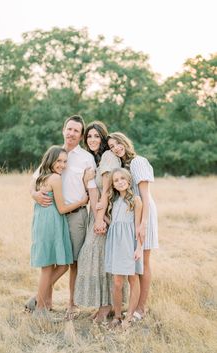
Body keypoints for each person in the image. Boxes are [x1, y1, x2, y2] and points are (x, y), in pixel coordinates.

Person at [30, 115, 98, 317]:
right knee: (52, 260)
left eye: (76, 130)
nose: (72, 133)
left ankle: (72, 303)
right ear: (63, 130)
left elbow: (92, 188)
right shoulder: (53, 154)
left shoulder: (87, 158)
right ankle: (45, 302)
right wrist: (34, 194)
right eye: (69, 129)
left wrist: (97, 215)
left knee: (74, 261)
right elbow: (34, 180)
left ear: (81, 135)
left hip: (76, 216)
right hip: (54, 215)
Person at [74, 121, 122, 322]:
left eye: (96, 136)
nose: (92, 140)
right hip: (97, 212)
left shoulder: (109, 157)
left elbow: (109, 189)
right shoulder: (94, 159)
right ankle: (104, 304)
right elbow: (93, 190)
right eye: (89, 136)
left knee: (99, 255)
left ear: (103, 138)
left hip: (107, 212)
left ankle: (107, 306)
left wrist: (102, 218)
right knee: (95, 255)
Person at [107, 132, 158, 320]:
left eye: (117, 143)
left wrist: (143, 224)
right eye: (111, 147)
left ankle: (141, 308)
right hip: (131, 217)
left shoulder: (137, 162)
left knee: (143, 263)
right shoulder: (122, 165)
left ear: (125, 141)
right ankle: (130, 307)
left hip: (145, 214)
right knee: (134, 265)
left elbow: (145, 196)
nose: (116, 148)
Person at [105, 168, 143, 328]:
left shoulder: (136, 200)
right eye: (116, 180)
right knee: (117, 282)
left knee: (133, 279)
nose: (119, 182)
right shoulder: (113, 202)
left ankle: (129, 317)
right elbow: (113, 223)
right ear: (113, 185)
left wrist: (139, 247)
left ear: (128, 181)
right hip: (115, 244)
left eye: (122, 178)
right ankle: (117, 316)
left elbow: (139, 227)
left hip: (129, 244)